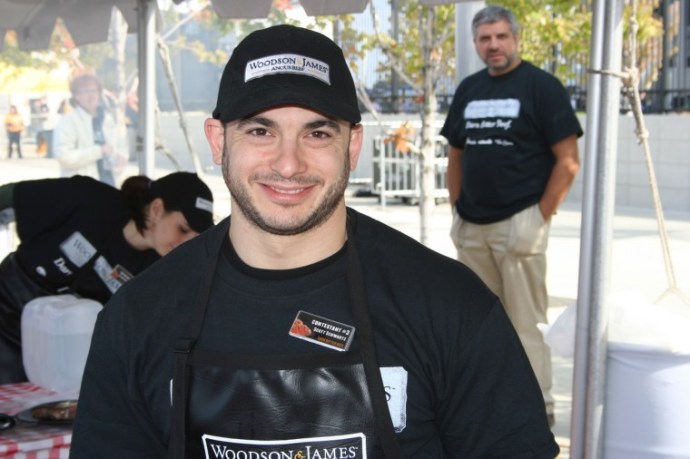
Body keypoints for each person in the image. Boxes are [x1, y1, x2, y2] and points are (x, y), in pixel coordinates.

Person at [71, 25, 558, 458]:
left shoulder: (452, 307)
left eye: (318, 133)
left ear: (353, 145)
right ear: (218, 140)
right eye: (260, 131)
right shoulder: (136, 316)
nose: (288, 164)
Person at [440, 5, 583, 426]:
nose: (494, 45)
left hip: (519, 223)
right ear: (475, 43)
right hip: (472, 227)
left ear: (515, 38)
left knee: (526, 325)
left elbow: (568, 161)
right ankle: (489, 406)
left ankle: (538, 410)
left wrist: (538, 218)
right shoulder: (469, 89)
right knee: (478, 325)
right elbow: (456, 154)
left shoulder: (542, 87)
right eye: (485, 38)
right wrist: (457, 209)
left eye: (501, 36)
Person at [0, 172, 214, 384]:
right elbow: (9, 198)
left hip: (66, 347)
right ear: (157, 209)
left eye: (194, 239)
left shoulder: (159, 273)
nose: (185, 244)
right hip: (8, 310)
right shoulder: (89, 201)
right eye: (183, 229)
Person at [52, 73, 128, 186]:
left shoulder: (108, 120)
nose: (90, 95)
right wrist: (99, 151)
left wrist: (121, 158)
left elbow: (120, 145)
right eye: (85, 91)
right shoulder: (68, 121)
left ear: (99, 93)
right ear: (76, 96)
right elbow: (63, 156)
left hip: (109, 184)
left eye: (93, 90)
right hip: (81, 188)